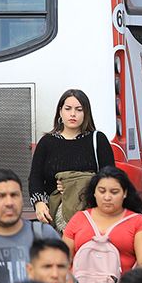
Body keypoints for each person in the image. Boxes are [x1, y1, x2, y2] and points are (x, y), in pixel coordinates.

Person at [62, 167, 142, 283]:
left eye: (114, 192)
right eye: (102, 191)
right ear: (94, 193)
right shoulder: (79, 219)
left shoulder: (137, 222)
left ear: (125, 193)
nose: (107, 197)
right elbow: (63, 258)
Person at [29, 89, 115, 231]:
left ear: (86, 113)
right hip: (56, 213)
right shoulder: (47, 142)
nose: (73, 114)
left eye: (79, 109)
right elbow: (35, 177)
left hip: (91, 212)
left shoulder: (97, 140)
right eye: (68, 109)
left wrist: (74, 184)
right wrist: (39, 203)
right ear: (60, 112)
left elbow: (110, 177)